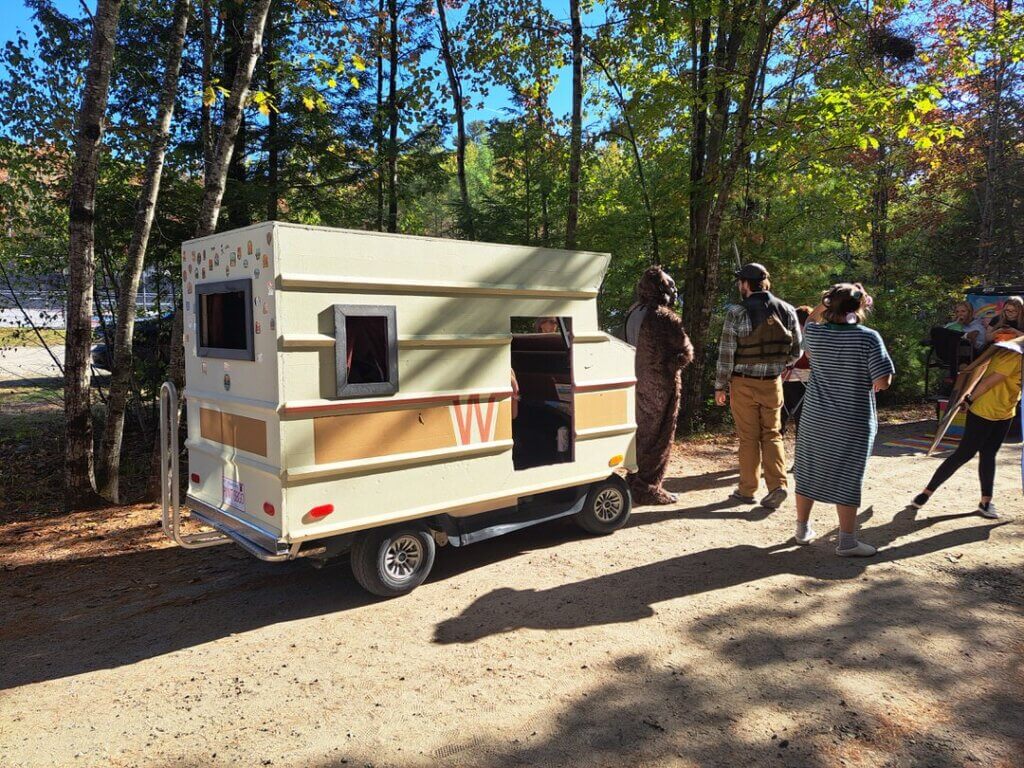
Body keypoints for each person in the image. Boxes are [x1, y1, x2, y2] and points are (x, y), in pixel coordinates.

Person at [793, 283, 895, 557]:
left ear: (829, 304)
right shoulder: (869, 338)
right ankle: (847, 541)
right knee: (849, 476)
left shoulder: (814, 333)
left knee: (808, 468)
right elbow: (882, 382)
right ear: (859, 307)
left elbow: (811, 321)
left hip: (815, 417)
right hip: (852, 420)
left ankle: (802, 529)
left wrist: (827, 303)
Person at [714, 263, 802, 509]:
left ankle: (747, 490)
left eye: (739, 282)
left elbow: (726, 354)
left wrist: (720, 386)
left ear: (745, 284)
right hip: (773, 383)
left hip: (743, 384)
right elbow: (797, 350)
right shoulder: (786, 309)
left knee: (748, 438)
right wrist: (779, 365)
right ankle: (778, 487)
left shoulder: (736, 313)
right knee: (773, 434)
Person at [911, 342, 1023, 518]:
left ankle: (985, 502)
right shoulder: (1013, 356)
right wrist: (968, 400)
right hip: (984, 411)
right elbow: (986, 383)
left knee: (989, 454)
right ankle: (926, 492)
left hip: (1006, 411)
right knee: (964, 453)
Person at [625, 266, 694, 505]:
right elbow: (686, 353)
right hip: (660, 385)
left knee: (640, 432)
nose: (674, 290)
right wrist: (670, 366)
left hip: (634, 380)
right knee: (660, 435)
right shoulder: (664, 317)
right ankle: (648, 487)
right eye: (670, 286)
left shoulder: (633, 312)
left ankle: (634, 480)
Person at [930, 301, 985, 377]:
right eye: (957, 312)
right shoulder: (953, 324)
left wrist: (970, 340)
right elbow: (941, 335)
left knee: (957, 340)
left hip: (967, 354)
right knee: (936, 330)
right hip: (947, 352)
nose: (960, 314)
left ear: (970, 312)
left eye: (963, 311)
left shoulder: (978, 326)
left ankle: (953, 377)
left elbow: (980, 346)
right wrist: (958, 325)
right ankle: (965, 335)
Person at [781, 305, 812, 437]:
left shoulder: (812, 339)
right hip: (784, 383)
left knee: (803, 423)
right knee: (778, 421)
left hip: (805, 385)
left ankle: (803, 454)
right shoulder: (788, 337)